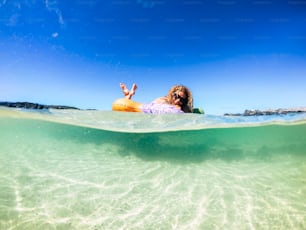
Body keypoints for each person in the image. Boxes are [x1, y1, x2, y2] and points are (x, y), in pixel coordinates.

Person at [117, 82, 193, 113]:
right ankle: (129, 95)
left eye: (182, 99)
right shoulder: (163, 100)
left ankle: (129, 95)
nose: (178, 100)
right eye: (176, 96)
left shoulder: (180, 108)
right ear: (172, 94)